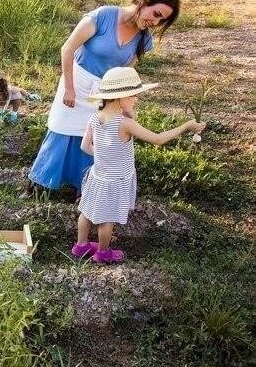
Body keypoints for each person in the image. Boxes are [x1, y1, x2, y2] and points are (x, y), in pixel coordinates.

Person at [23, 0, 181, 199]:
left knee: (97, 136)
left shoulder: (144, 40)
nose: (155, 21)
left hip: (104, 93)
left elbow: (125, 75)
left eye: (161, 20)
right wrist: (69, 88)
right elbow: (67, 48)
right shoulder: (104, 16)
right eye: (156, 14)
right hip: (76, 82)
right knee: (60, 129)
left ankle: (85, 188)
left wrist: (122, 106)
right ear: (145, 1)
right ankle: (39, 185)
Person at [70, 67, 205, 263]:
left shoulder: (94, 118)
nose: (136, 99)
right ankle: (103, 252)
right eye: (133, 95)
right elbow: (157, 139)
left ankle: (80, 246)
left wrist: (103, 157)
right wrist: (186, 126)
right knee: (107, 219)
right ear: (120, 97)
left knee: (87, 211)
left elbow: (84, 146)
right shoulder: (125, 123)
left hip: (98, 175)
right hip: (115, 180)